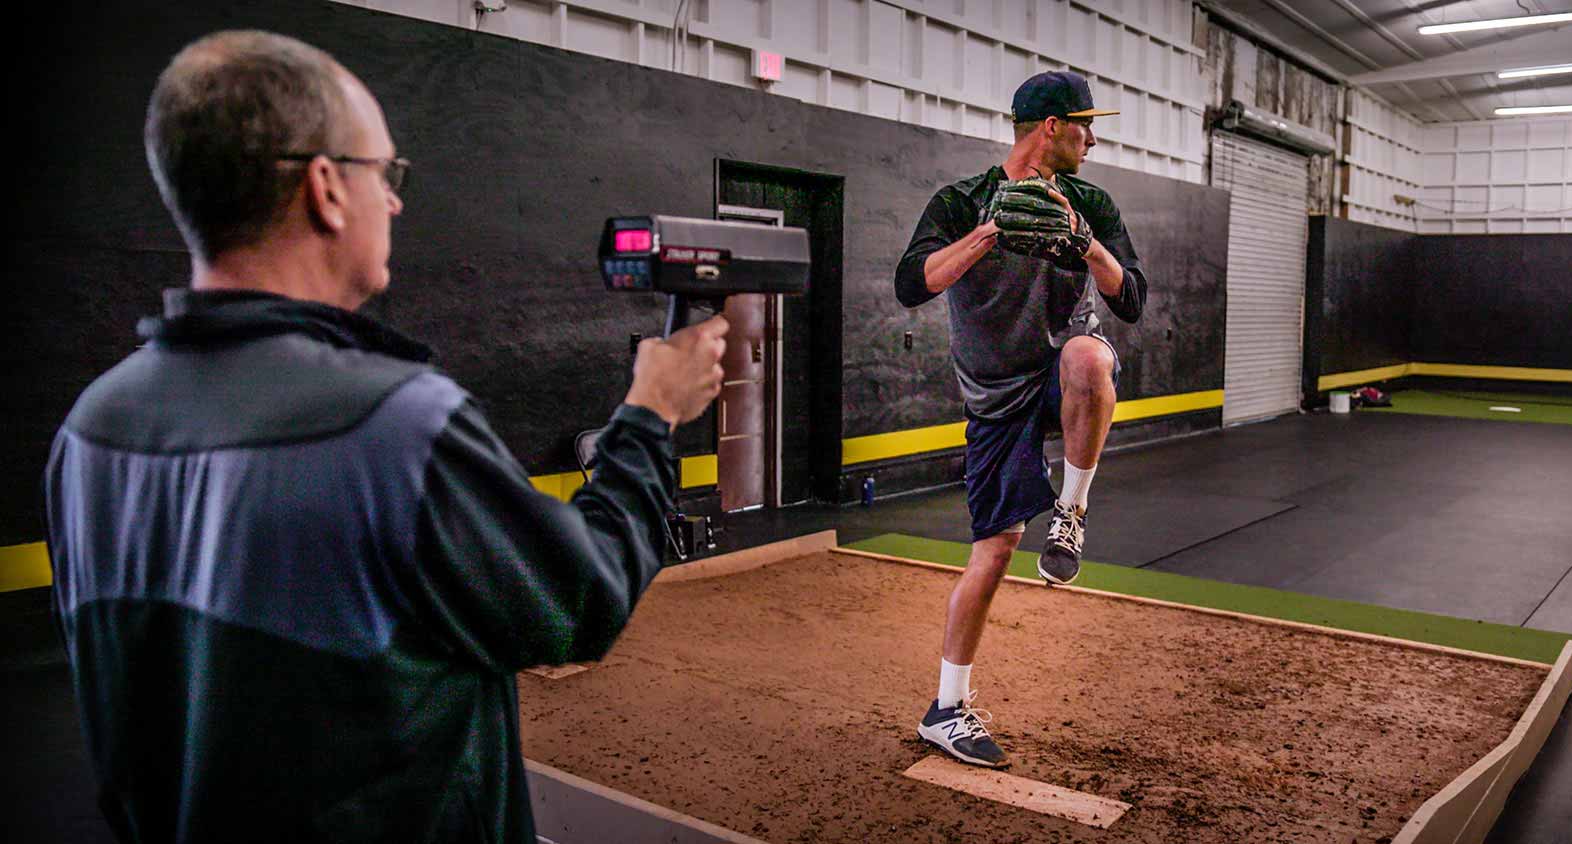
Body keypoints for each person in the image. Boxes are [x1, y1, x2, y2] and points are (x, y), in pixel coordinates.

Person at [43, 31, 728, 843]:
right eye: (387, 174)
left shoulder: (90, 430)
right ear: (327, 188)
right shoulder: (390, 426)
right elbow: (583, 603)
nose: (396, 202)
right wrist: (651, 415)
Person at [893, 71, 1148, 768]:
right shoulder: (960, 201)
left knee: (1092, 360)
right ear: (1051, 126)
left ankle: (1070, 511)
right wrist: (990, 233)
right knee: (995, 551)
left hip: (1059, 369)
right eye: (1085, 126)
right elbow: (912, 282)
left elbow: (1132, 300)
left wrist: (1085, 243)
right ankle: (946, 708)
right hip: (995, 396)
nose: (1093, 140)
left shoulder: (1090, 201)